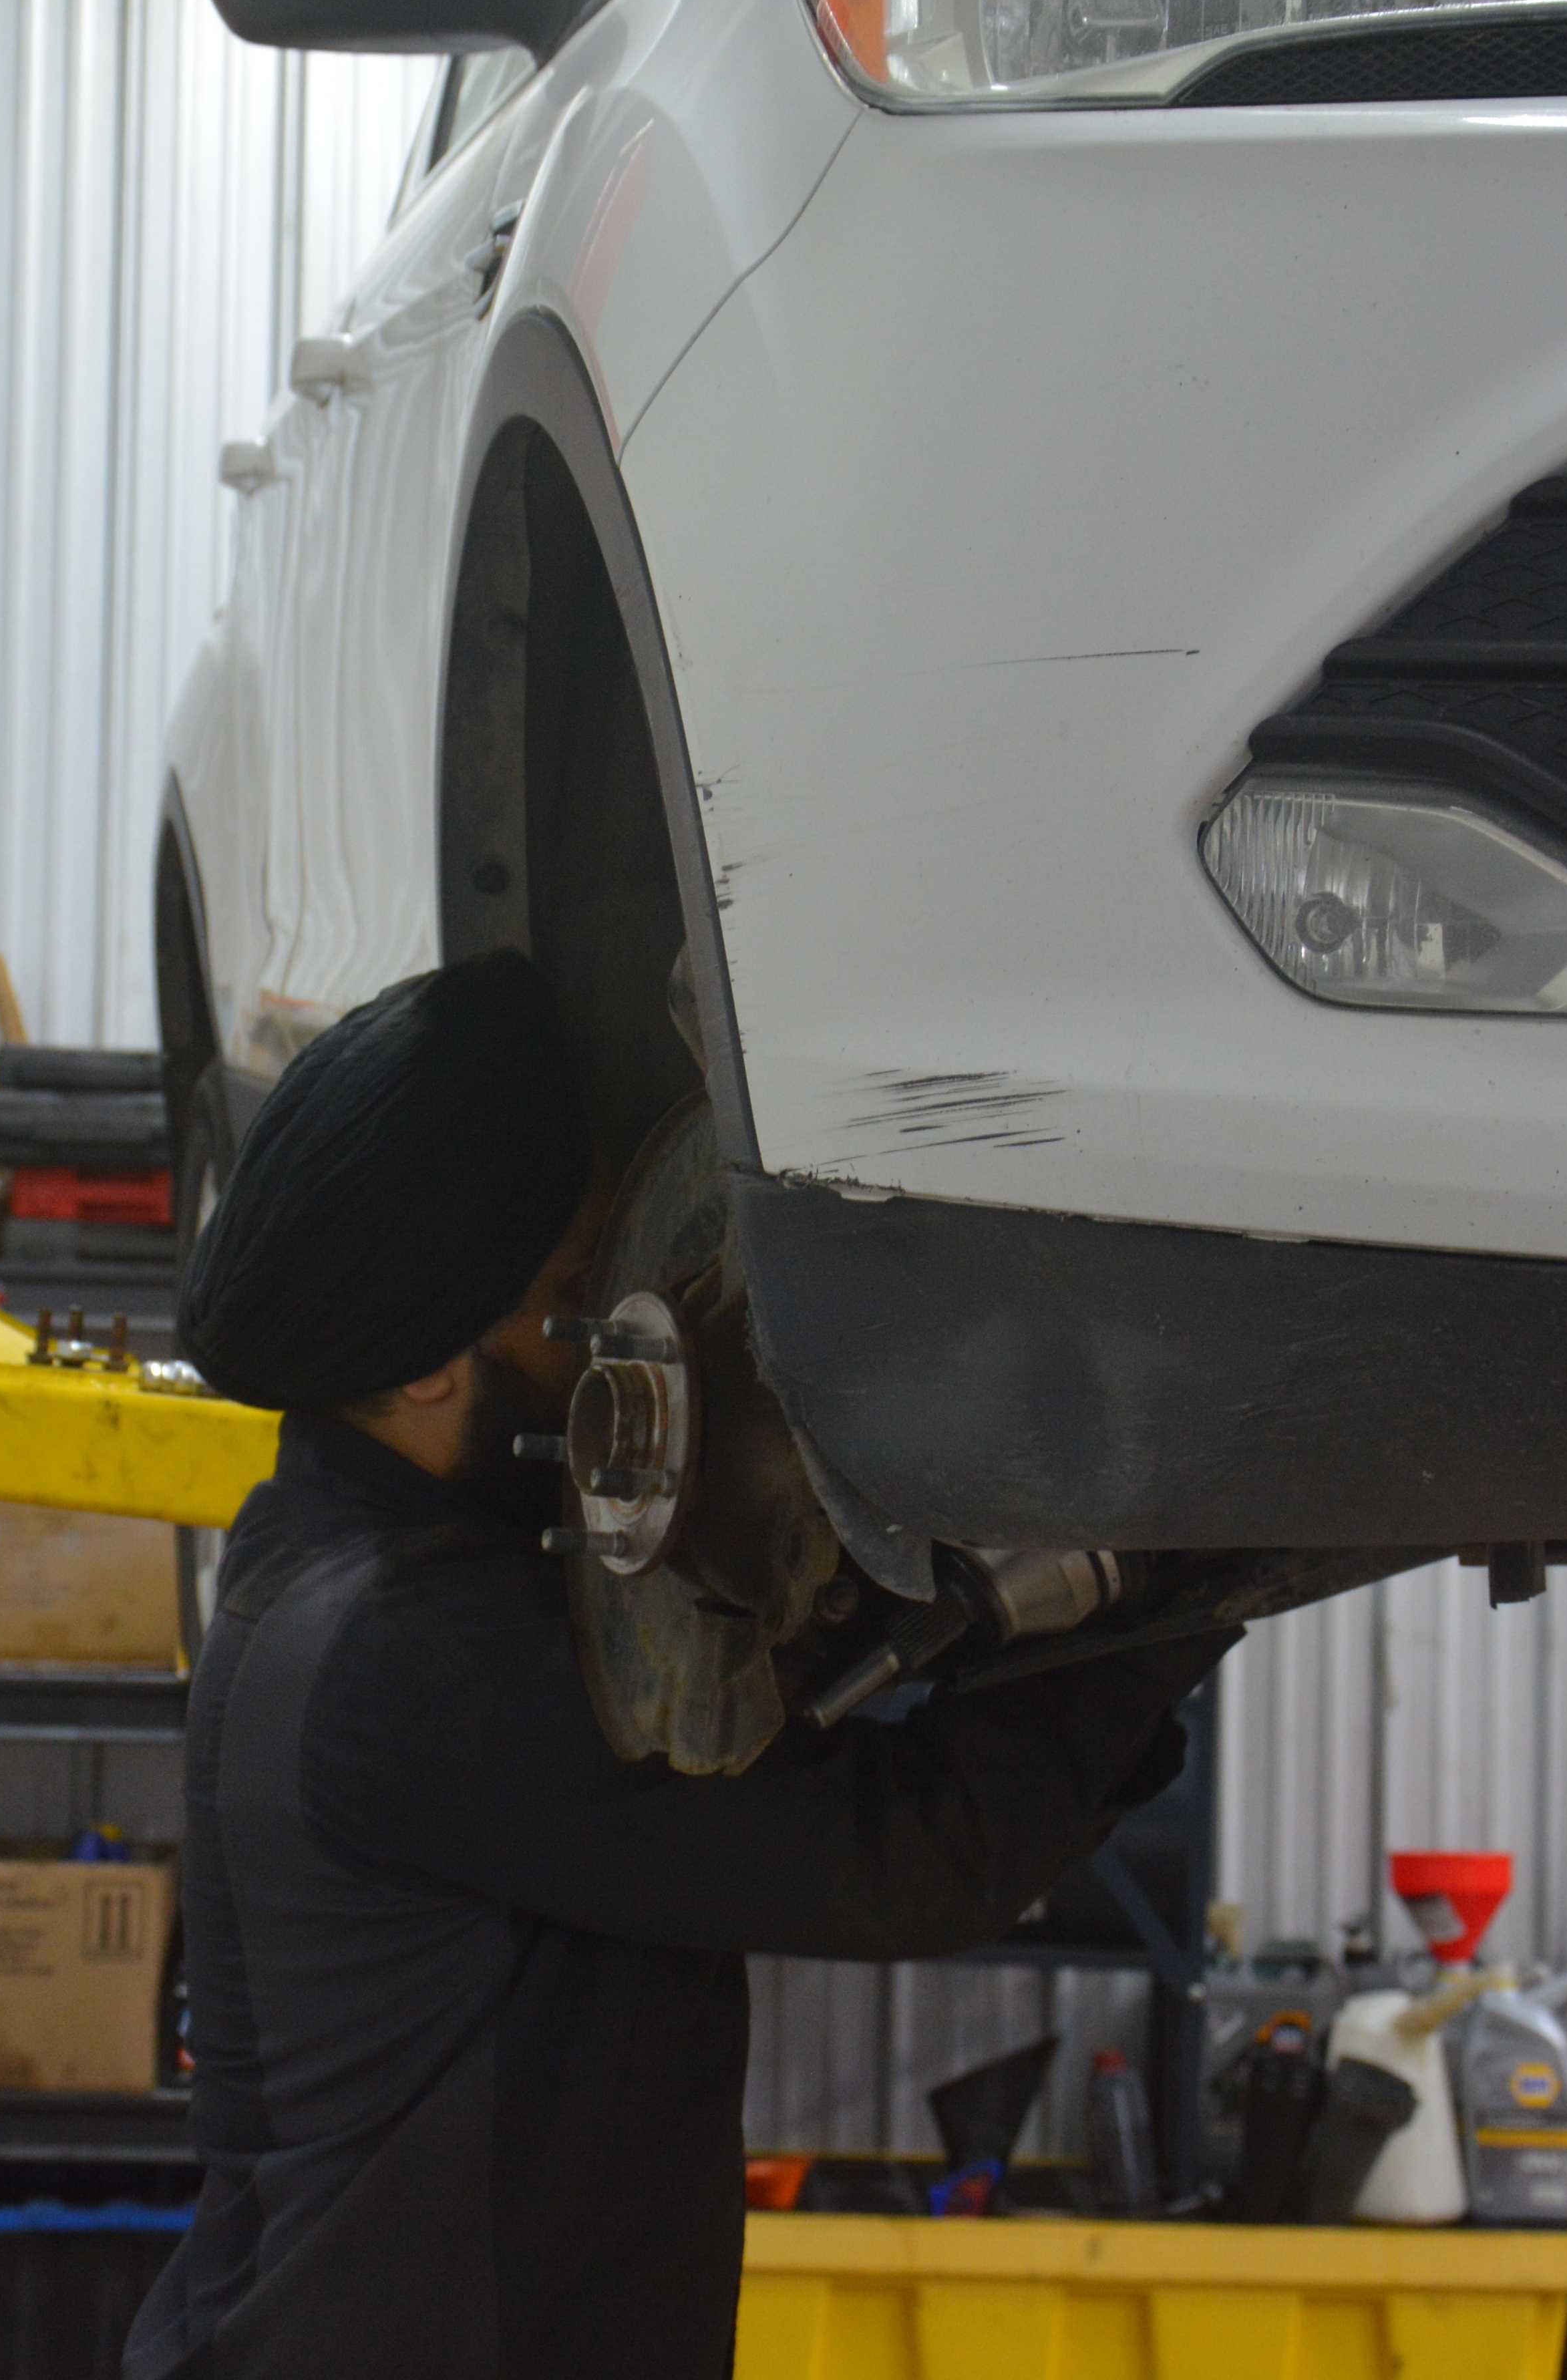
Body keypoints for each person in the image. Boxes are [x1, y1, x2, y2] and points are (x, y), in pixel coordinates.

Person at [126, 951, 1230, 2380]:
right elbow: (907, 1855)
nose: (621, 1323)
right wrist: (1190, 1556)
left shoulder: (334, 1577)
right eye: (576, 1289)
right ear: (425, 1370)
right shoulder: (408, 1653)